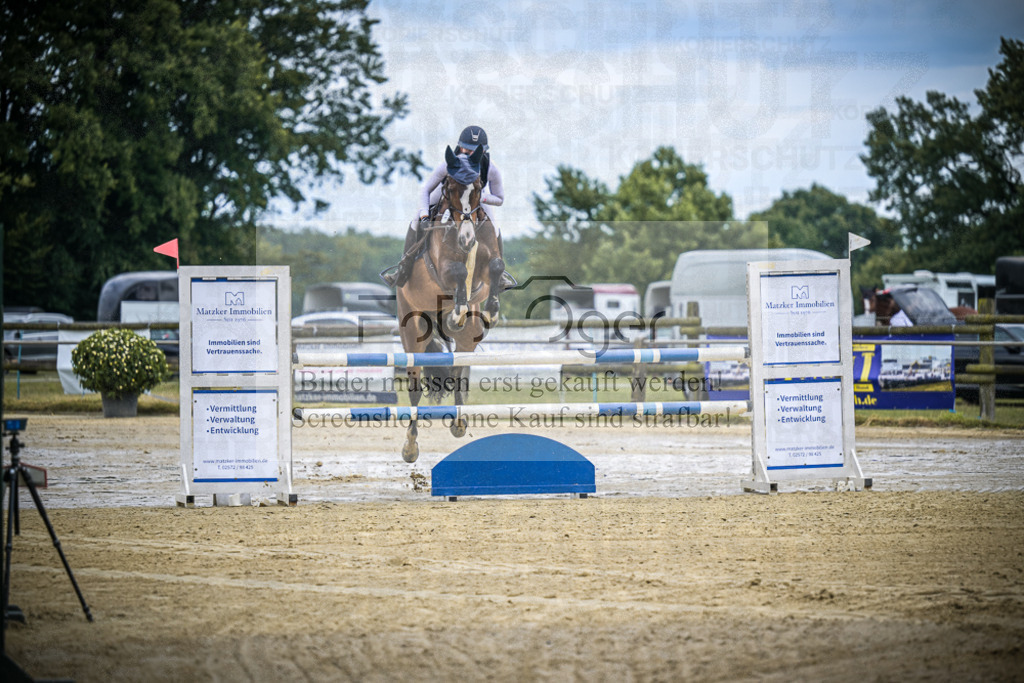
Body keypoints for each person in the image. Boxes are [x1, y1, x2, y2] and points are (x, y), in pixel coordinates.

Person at [382, 126, 506, 288]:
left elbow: (499, 198)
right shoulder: (448, 164)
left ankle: (500, 274)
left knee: (494, 228)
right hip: (446, 194)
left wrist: (480, 197)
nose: (469, 154)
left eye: (474, 151)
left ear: (483, 152)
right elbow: (425, 190)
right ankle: (404, 267)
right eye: (466, 150)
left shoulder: (491, 168)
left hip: (476, 198)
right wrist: (425, 215)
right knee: (415, 221)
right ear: (460, 147)